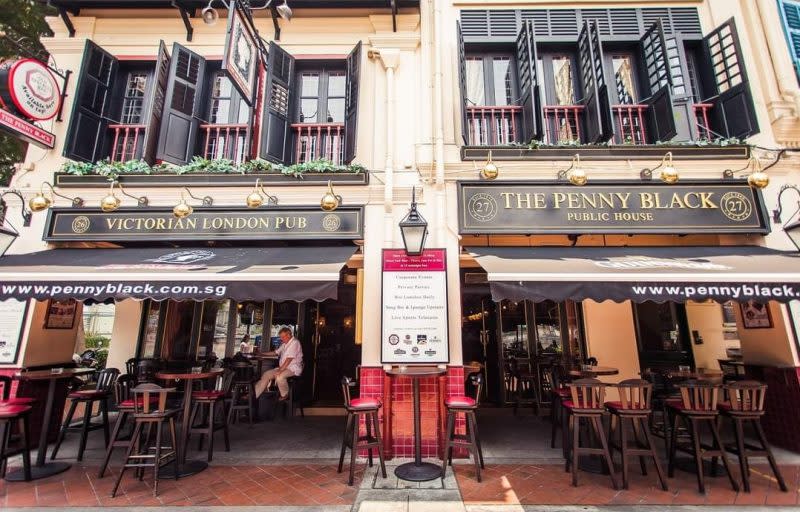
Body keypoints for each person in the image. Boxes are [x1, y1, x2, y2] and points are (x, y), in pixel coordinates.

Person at [254, 327, 303, 400]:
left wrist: (280, 371)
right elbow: (275, 352)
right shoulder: (284, 344)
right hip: (284, 368)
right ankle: (254, 395)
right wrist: (261, 354)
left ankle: (285, 394)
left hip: (293, 369)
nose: (281, 339)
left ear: (289, 335)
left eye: (283, 337)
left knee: (279, 376)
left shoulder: (295, 343)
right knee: (266, 374)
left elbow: (289, 359)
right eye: (281, 337)